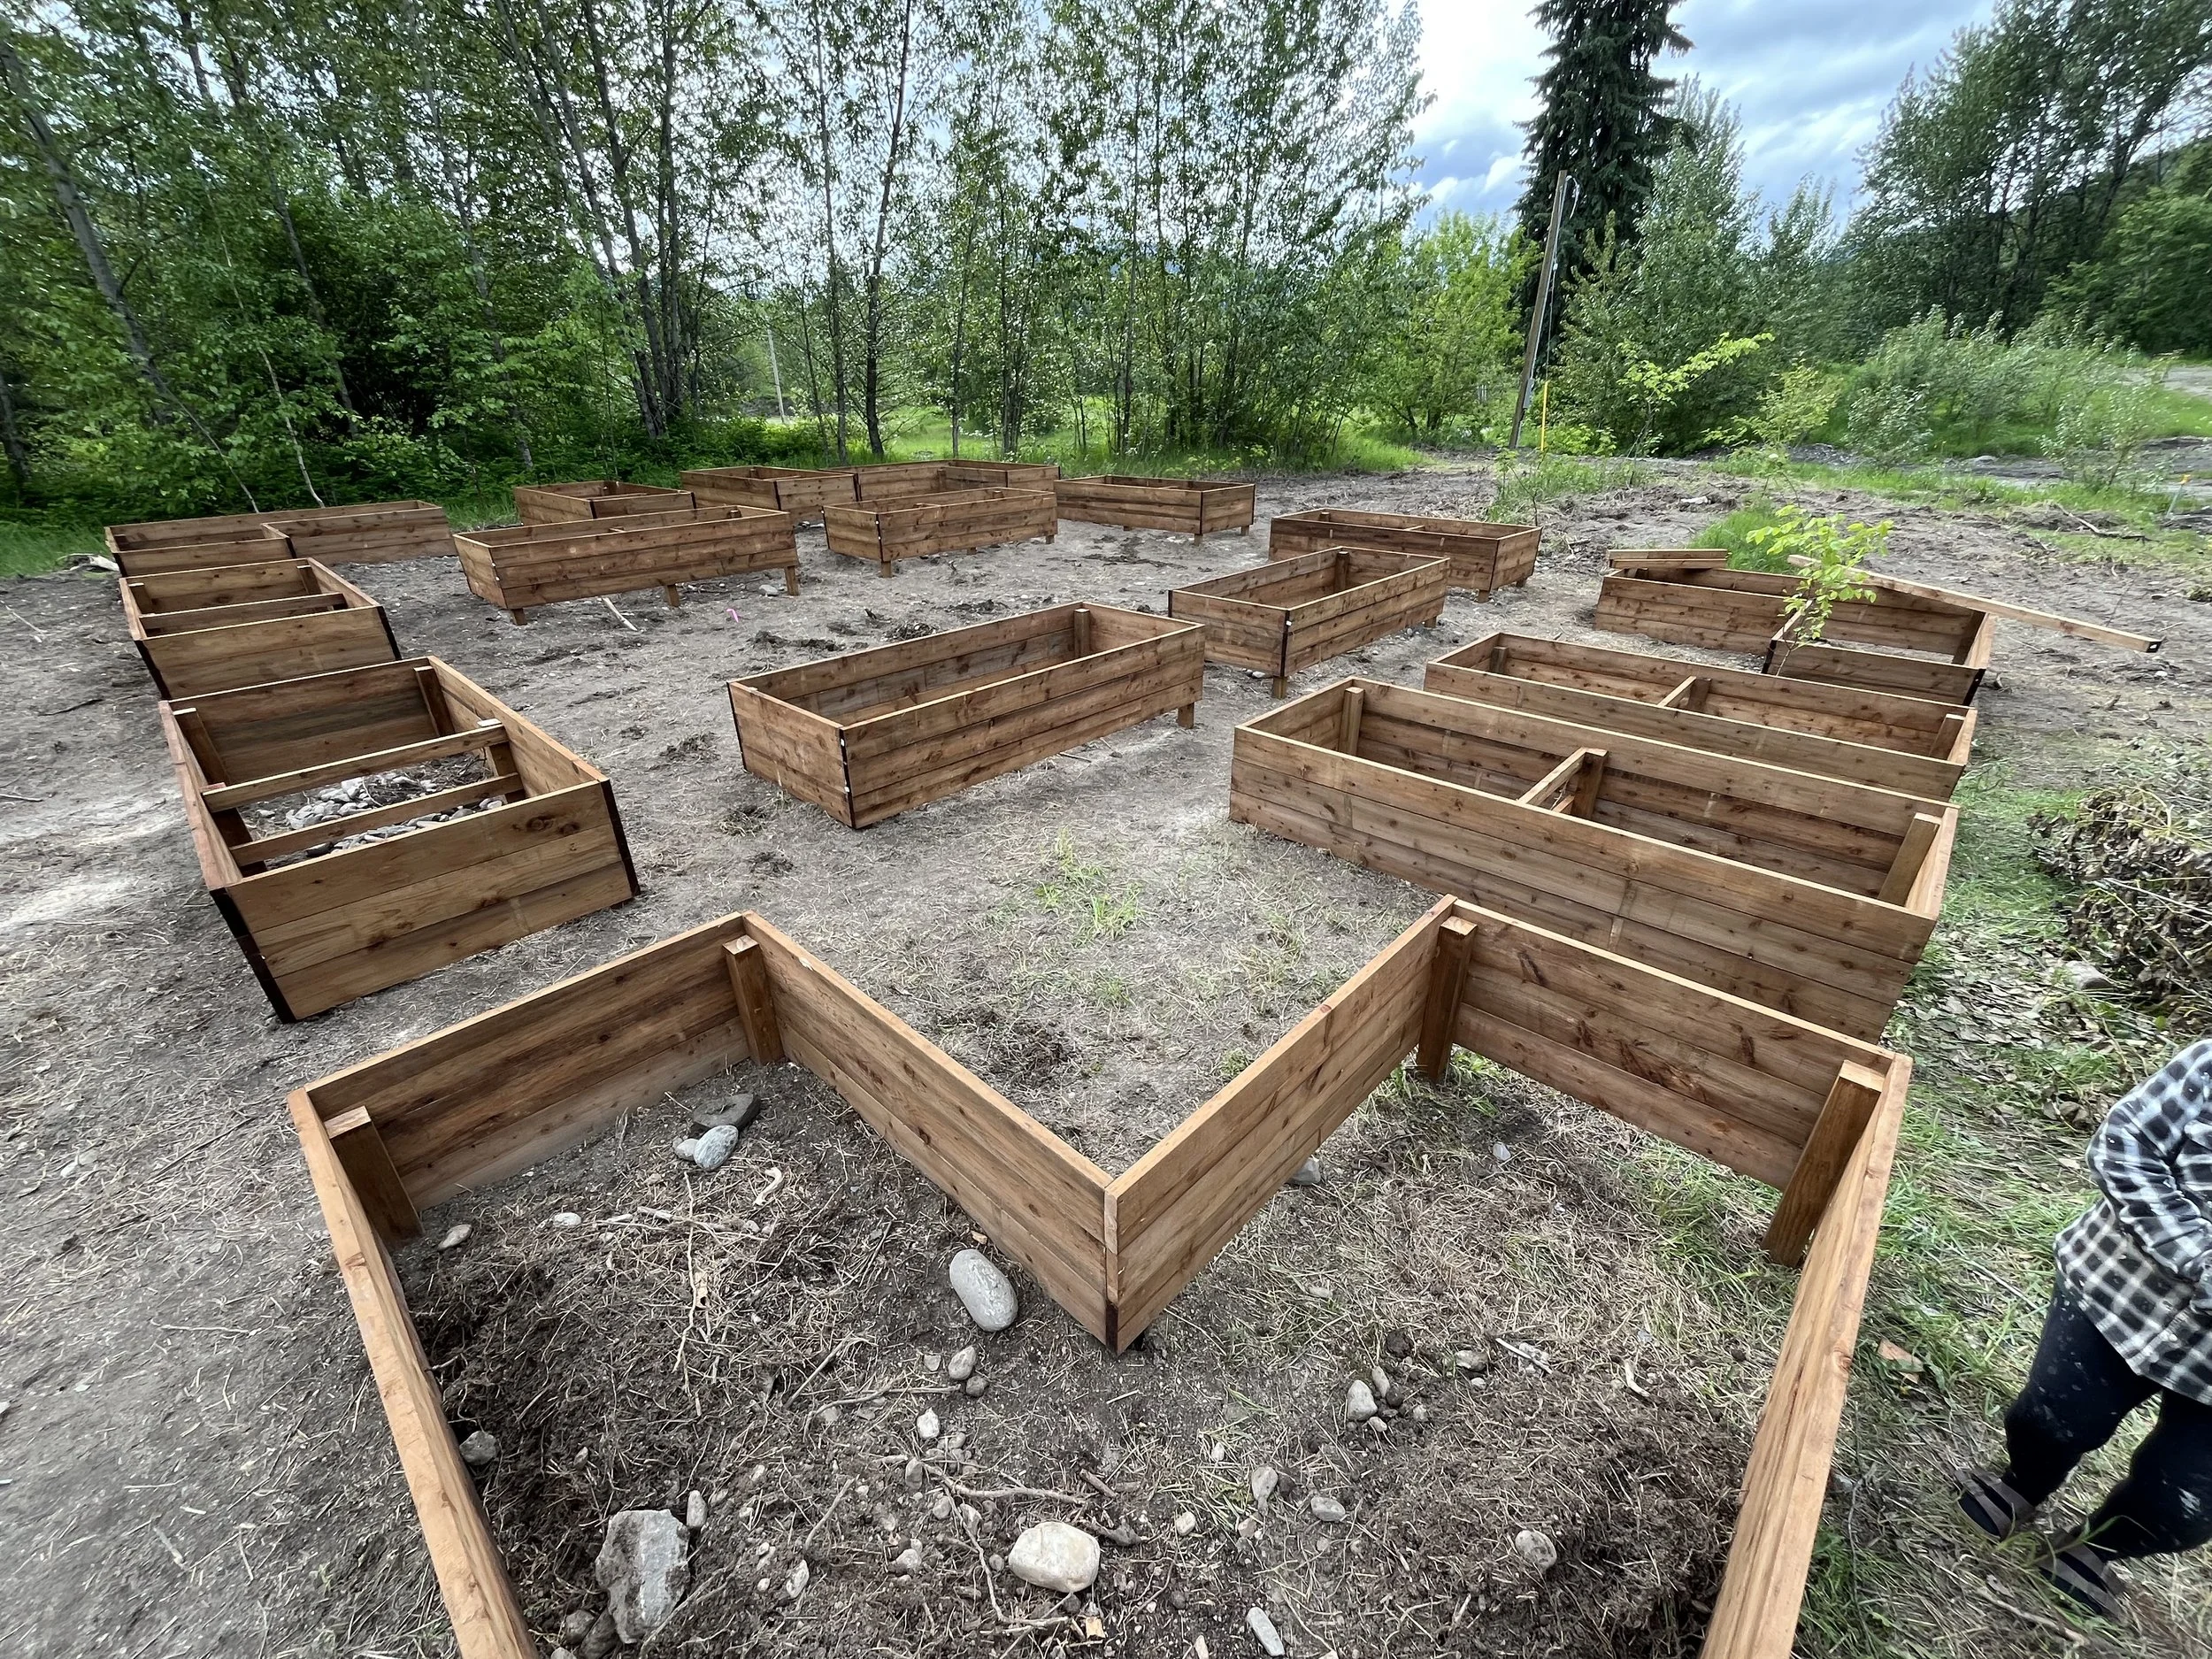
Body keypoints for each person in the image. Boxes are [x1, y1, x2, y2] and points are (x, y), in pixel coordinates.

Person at [1958, 1038, 2212, 1617]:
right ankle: (2023, 1484)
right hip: (2118, 1292)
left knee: (2186, 1503)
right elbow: (2126, 1143)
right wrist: (2198, 1255)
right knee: (2052, 1417)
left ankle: (2100, 1547)